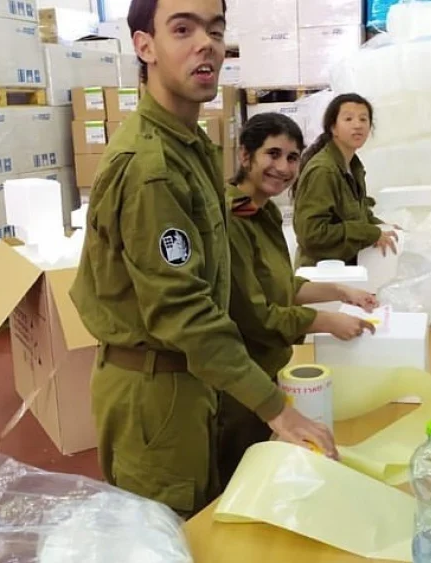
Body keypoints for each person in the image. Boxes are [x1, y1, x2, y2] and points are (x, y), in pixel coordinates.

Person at [68, 0, 337, 520]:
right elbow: (183, 310)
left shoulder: (188, 144)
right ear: (144, 45)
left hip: (190, 381)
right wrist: (276, 410)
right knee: (168, 534)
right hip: (156, 395)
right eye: (183, 29)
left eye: (215, 30)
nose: (206, 44)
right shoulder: (153, 168)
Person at [219, 112, 381, 485]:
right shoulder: (231, 219)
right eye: (272, 154)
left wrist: (341, 292)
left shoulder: (262, 212)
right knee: (241, 482)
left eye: (292, 158)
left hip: (269, 370)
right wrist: (326, 322)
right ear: (245, 155)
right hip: (241, 382)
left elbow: (280, 284)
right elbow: (255, 314)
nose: (283, 167)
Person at [292, 93, 399, 268]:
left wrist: (382, 227)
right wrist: (369, 233)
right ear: (333, 127)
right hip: (322, 273)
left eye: (363, 119)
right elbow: (311, 235)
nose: (357, 125)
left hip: (348, 266)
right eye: (348, 119)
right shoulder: (324, 171)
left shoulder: (353, 167)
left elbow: (358, 213)